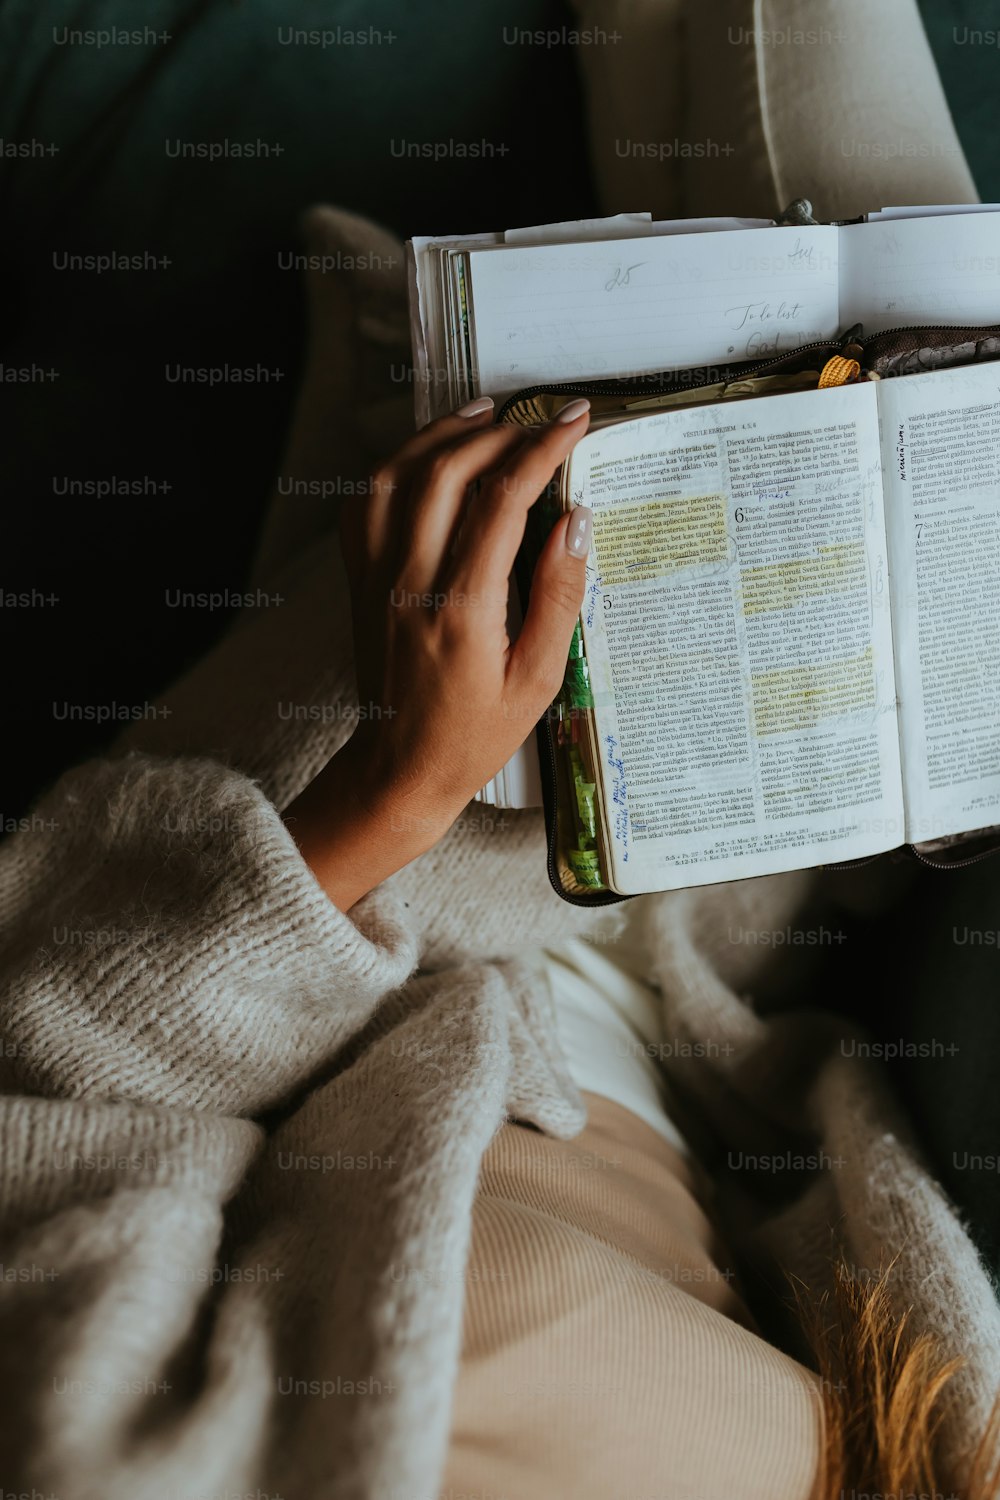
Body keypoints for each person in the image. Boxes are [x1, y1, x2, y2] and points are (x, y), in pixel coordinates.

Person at [1, 3, 998, 1499]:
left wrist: (392, 788)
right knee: (935, 362)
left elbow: (68, 1085)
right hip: (747, 888)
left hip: (381, 884)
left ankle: (401, 386)